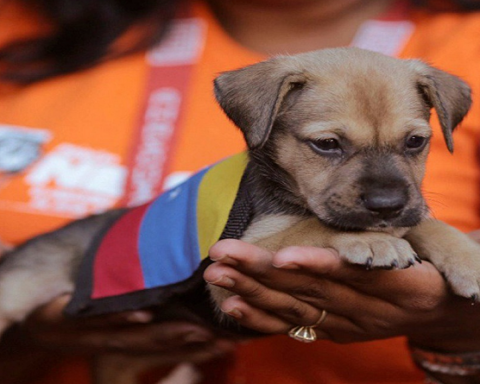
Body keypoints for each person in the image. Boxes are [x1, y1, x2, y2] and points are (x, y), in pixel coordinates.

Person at [1, 0, 480, 383]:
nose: (383, 196)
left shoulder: (463, 43)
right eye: (329, 145)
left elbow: (419, 232)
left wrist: (458, 330)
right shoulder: (28, 28)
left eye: (413, 142)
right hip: (82, 270)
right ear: (260, 122)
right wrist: (30, 340)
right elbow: (259, 245)